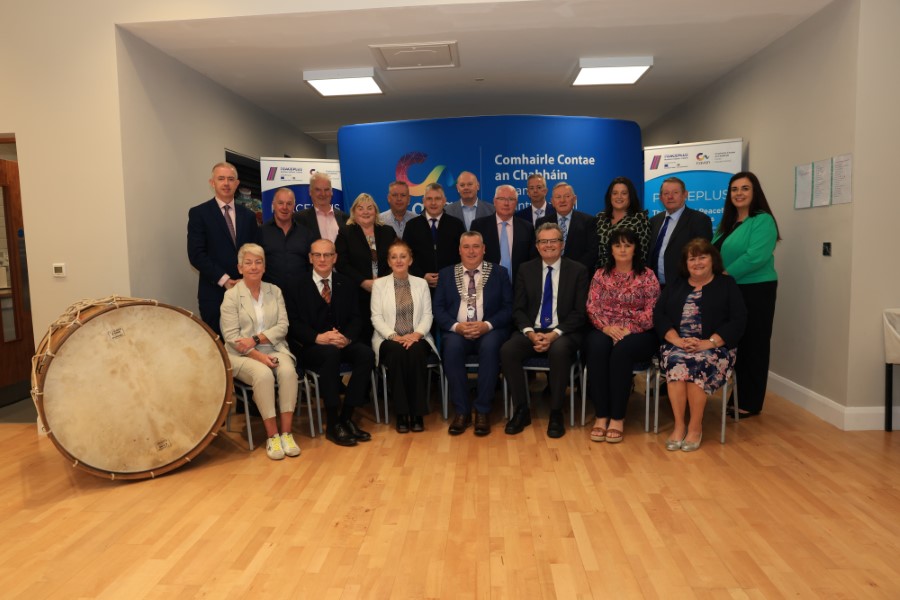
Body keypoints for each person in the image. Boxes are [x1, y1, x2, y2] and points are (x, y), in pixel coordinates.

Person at [653, 238, 746, 452]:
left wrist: (709, 342)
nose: (697, 263)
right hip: (678, 344)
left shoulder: (727, 284)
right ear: (685, 264)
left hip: (715, 347)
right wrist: (676, 340)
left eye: (702, 257)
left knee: (697, 364)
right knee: (678, 362)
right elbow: (660, 314)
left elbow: (738, 319)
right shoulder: (676, 283)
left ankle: (695, 427)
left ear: (713, 259)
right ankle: (679, 426)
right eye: (692, 259)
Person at [501, 223, 589, 438]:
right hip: (533, 329)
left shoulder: (578, 270)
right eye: (543, 241)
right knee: (508, 350)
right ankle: (522, 409)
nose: (548, 245)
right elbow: (518, 309)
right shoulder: (526, 269)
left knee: (559, 351)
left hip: (563, 332)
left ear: (562, 244)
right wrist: (531, 333)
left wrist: (553, 334)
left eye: (553, 241)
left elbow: (580, 312)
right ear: (537, 246)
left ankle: (556, 411)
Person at [287, 239, 375, 447]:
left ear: (335, 258)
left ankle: (347, 416)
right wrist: (318, 338)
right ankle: (333, 423)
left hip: (341, 341)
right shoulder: (295, 285)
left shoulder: (346, 283)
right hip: (312, 347)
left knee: (366, 354)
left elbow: (356, 318)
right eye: (317, 255)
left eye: (327, 255)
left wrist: (347, 338)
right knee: (330, 355)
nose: (322, 259)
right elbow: (293, 323)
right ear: (310, 258)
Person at [220, 243, 300, 460]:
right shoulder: (231, 296)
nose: (253, 267)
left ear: (264, 267)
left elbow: (282, 326)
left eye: (258, 262)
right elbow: (231, 337)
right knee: (263, 374)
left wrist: (256, 340)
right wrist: (259, 356)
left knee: (288, 372)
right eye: (248, 262)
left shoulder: (275, 291)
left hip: (274, 347)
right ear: (240, 267)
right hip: (240, 354)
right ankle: (273, 437)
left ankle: (286, 433)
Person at [713, 171, 780, 418]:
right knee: (736, 343)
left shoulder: (762, 220)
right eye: (734, 189)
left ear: (755, 193)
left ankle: (750, 402)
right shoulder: (727, 224)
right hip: (732, 289)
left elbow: (755, 256)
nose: (739, 193)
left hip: (756, 289)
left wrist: (724, 276)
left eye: (745, 188)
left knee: (754, 345)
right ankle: (736, 395)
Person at [583, 229, 660, 443]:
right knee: (597, 347)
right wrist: (608, 328)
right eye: (618, 245)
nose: (623, 249)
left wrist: (628, 329)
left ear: (636, 248)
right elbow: (592, 307)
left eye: (627, 245)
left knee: (621, 352)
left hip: (640, 332)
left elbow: (653, 311)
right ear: (611, 249)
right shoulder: (600, 274)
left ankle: (617, 417)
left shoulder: (647, 275)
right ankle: (601, 415)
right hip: (605, 329)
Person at [433, 231, 513, 436]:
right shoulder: (446, 273)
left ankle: (483, 410)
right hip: (457, 330)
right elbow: (438, 309)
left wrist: (487, 325)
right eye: (466, 247)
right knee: (451, 348)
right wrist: (456, 327)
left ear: (484, 249)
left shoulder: (499, 273)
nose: (471, 251)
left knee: (490, 347)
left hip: (489, 330)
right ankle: (462, 411)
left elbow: (508, 308)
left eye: (476, 246)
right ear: (459, 250)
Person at [370, 239, 438, 433]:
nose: (399, 260)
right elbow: (376, 317)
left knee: (416, 353)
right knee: (397, 354)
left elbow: (427, 314)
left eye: (403, 256)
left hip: (417, 336)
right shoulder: (379, 285)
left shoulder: (421, 283)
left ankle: (417, 413)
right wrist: (393, 336)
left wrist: (417, 334)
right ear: (389, 262)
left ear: (410, 260)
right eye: (394, 257)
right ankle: (401, 413)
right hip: (388, 338)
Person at [187, 162, 259, 334]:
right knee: (219, 348)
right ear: (212, 183)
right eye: (221, 179)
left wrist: (247, 278)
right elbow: (196, 254)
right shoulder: (199, 213)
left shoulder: (248, 216)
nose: (226, 183)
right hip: (214, 294)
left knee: (246, 344)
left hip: (246, 292)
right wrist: (225, 280)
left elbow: (255, 251)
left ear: (237, 183)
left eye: (230, 179)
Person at [335, 193, 397, 336]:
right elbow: (341, 264)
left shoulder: (388, 231)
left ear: (375, 211)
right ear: (354, 212)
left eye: (370, 208)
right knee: (364, 333)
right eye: (361, 208)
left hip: (386, 291)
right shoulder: (345, 233)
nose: (365, 212)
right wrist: (363, 282)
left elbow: (396, 258)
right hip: (357, 293)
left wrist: (383, 281)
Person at [648, 177, 713, 286]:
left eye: (675, 192)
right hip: (655, 287)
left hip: (685, 286)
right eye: (666, 193)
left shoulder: (699, 220)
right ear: (660, 197)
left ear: (685, 194)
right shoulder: (654, 221)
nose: (670, 197)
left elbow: (703, 257)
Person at [403, 182, 466, 289]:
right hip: (419, 286)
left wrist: (448, 276)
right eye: (429, 199)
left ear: (444, 201)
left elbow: (463, 255)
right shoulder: (412, 226)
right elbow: (406, 255)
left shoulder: (456, 225)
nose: (433, 203)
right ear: (423, 201)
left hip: (450, 285)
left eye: (437, 198)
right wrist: (421, 276)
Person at [259, 187, 314, 308]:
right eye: (280, 203)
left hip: (300, 299)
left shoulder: (306, 234)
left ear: (294, 206)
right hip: (269, 299)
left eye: (289, 204)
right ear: (273, 204)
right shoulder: (260, 232)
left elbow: (312, 266)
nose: (284, 207)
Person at [471, 185, 535, 284]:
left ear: (516, 203)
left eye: (511, 199)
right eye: (501, 199)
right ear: (494, 201)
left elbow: (532, 261)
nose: (506, 203)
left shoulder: (527, 228)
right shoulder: (479, 226)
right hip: (487, 285)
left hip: (519, 286)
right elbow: (473, 256)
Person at [535, 182, 598, 271]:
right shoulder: (542, 223)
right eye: (558, 197)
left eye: (567, 196)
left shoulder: (588, 221)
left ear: (574, 199)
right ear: (552, 202)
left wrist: (574, 271)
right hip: (550, 273)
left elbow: (592, 252)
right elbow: (538, 251)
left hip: (579, 274)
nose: (562, 200)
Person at [595, 176, 652, 268]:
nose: (619, 197)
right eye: (615, 193)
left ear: (630, 196)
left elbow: (642, 255)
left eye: (624, 193)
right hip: (601, 276)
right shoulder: (600, 218)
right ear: (610, 196)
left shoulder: (640, 220)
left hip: (629, 277)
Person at [295, 172, 347, 242]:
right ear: (310, 192)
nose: (323, 194)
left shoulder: (345, 218)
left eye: (326, 189)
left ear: (331, 192)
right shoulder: (298, 219)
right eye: (318, 190)